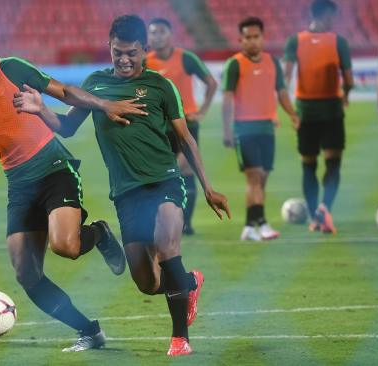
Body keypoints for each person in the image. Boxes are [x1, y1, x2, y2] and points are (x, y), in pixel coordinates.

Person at [13, 15, 230, 357]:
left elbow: (185, 137)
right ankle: (189, 282)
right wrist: (41, 109)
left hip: (164, 182)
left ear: (144, 50)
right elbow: (68, 127)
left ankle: (179, 339)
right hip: (126, 193)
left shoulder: (160, 86)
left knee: (168, 244)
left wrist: (208, 187)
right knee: (148, 283)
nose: (125, 59)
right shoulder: (95, 83)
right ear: (109, 47)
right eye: (118, 52)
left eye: (131, 53)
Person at [0, 24, 146, 352]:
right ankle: (89, 331)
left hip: (55, 169)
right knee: (26, 274)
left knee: (66, 246)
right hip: (20, 187)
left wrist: (104, 105)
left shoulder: (10, 68)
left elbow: (65, 93)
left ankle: (98, 233)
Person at [222, 17, 300, 242]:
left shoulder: (272, 62)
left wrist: (293, 114)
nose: (252, 41)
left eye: (256, 37)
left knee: (262, 179)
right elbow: (227, 99)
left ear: (263, 38)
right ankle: (262, 223)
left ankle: (249, 226)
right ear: (240, 39)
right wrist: (227, 131)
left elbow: (282, 92)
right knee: (254, 178)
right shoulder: (234, 64)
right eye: (248, 37)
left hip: (267, 128)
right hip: (244, 129)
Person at [283, 0, 353, 234]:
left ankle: (315, 217)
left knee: (308, 165)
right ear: (326, 16)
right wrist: (345, 96)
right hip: (332, 109)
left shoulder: (295, 41)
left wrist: (292, 111)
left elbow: (286, 77)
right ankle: (326, 208)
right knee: (333, 163)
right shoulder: (339, 42)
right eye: (333, 16)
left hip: (306, 111)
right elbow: (350, 80)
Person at [146, 17, 218, 235]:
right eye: (153, 32)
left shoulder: (186, 58)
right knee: (161, 172)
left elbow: (211, 83)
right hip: (158, 127)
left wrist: (203, 110)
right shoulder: (145, 62)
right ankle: (165, 219)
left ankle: (185, 223)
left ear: (170, 34)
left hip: (186, 123)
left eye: (161, 32)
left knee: (185, 169)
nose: (156, 36)